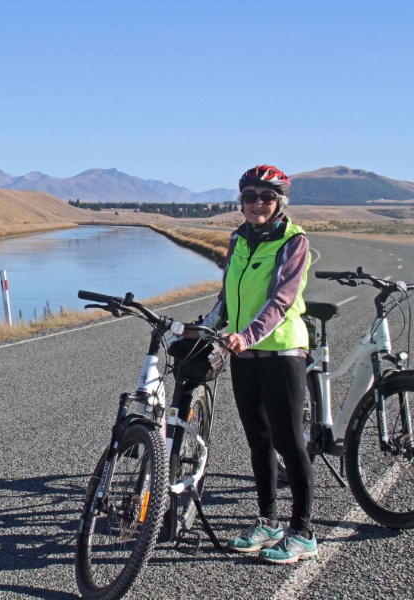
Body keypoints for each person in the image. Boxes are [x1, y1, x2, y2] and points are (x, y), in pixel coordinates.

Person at [197, 165, 317, 564]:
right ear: (241, 201)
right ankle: (268, 522)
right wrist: (202, 328)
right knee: (259, 440)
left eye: (267, 197)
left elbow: (282, 300)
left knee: (290, 442)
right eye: (250, 196)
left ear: (279, 202)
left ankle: (303, 531)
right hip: (243, 355)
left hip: (281, 352)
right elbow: (228, 295)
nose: (258, 204)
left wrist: (246, 335)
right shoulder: (238, 239)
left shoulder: (292, 240)